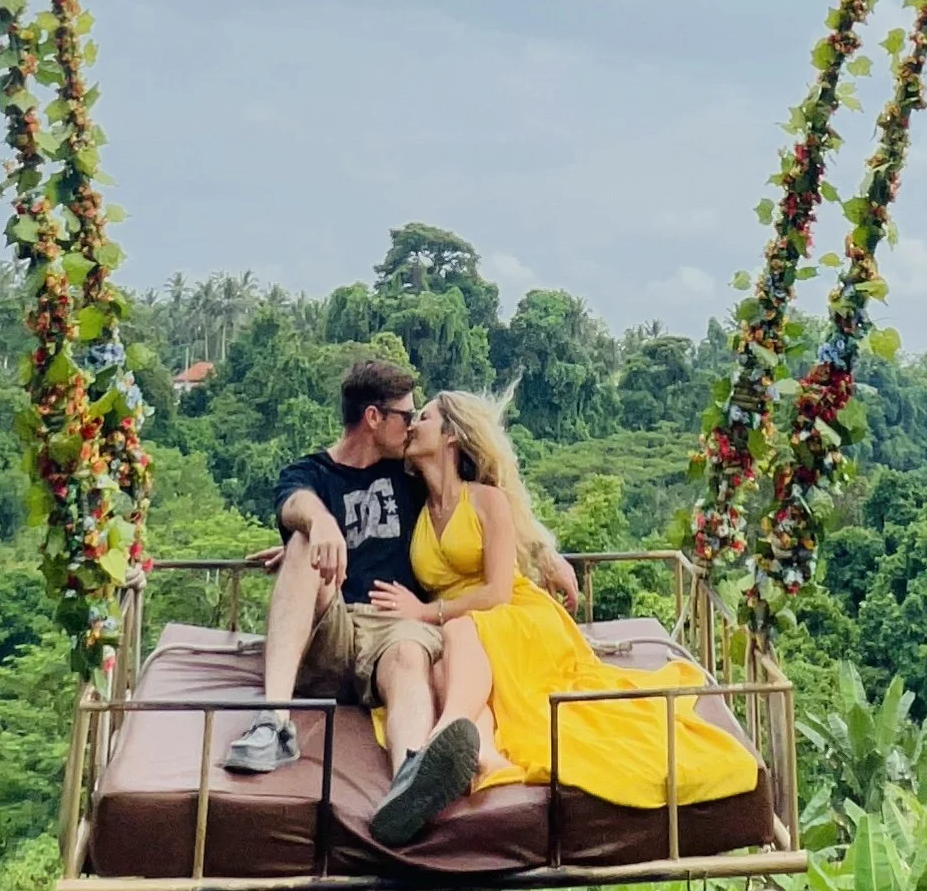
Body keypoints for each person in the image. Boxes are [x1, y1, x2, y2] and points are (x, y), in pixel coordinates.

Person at [363, 389, 759, 847]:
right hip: (458, 628)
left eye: (424, 417)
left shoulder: (487, 500)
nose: (412, 425)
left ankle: (440, 735)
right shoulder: (415, 503)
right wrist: (303, 537)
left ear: (451, 435)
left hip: (509, 612)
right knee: (440, 668)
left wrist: (425, 611)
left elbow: (494, 592)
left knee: (458, 637)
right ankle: (482, 754)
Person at [221, 360, 485, 832]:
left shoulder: (409, 472)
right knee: (301, 543)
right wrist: (319, 524)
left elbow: (481, 503)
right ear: (373, 418)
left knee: (409, 654)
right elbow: (294, 503)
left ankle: (410, 773)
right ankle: (273, 722)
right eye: (405, 417)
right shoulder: (312, 474)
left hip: (393, 623)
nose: (411, 427)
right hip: (334, 625)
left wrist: (545, 556)